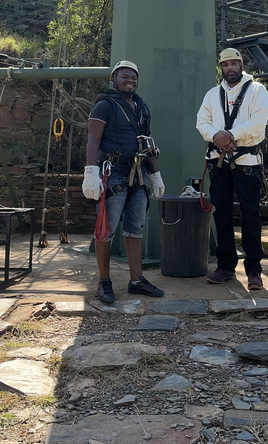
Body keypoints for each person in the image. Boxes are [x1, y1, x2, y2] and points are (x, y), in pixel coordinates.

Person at [82, 60, 166, 303]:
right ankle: (104, 282)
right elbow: (93, 139)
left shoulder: (141, 107)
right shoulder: (105, 105)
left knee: (135, 228)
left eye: (134, 77)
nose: (130, 80)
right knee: (105, 230)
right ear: (114, 79)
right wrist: (90, 172)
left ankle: (137, 281)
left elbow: (146, 142)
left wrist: (155, 173)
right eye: (124, 77)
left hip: (137, 174)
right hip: (112, 173)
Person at [196, 48, 268, 291]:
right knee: (222, 213)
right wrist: (216, 136)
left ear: (242, 64)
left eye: (234, 63)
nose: (230, 68)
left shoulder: (257, 91)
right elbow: (202, 122)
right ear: (221, 67)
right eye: (225, 64)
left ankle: (254, 270)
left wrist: (230, 134)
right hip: (219, 161)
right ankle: (226, 265)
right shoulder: (212, 95)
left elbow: (258, 123)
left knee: (251, 214)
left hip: (247, 162)